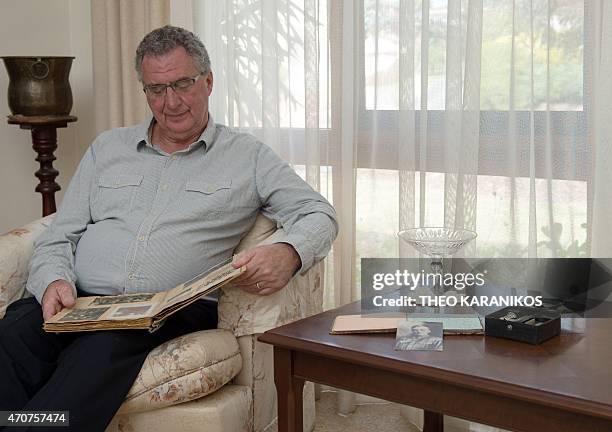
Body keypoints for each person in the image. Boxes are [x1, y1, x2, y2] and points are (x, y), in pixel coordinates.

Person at [0, 25, 337, 431]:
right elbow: (60, 234)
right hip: (79, 303)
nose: (170, 101)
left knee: (95, 355)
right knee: (14, 335)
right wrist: (54, 279)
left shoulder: (248, 157)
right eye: (156, 89)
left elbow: (319, 213)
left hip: (161, 313)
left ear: (208, 81)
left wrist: (289, 251)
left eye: (182, 84)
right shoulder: (107, 148)